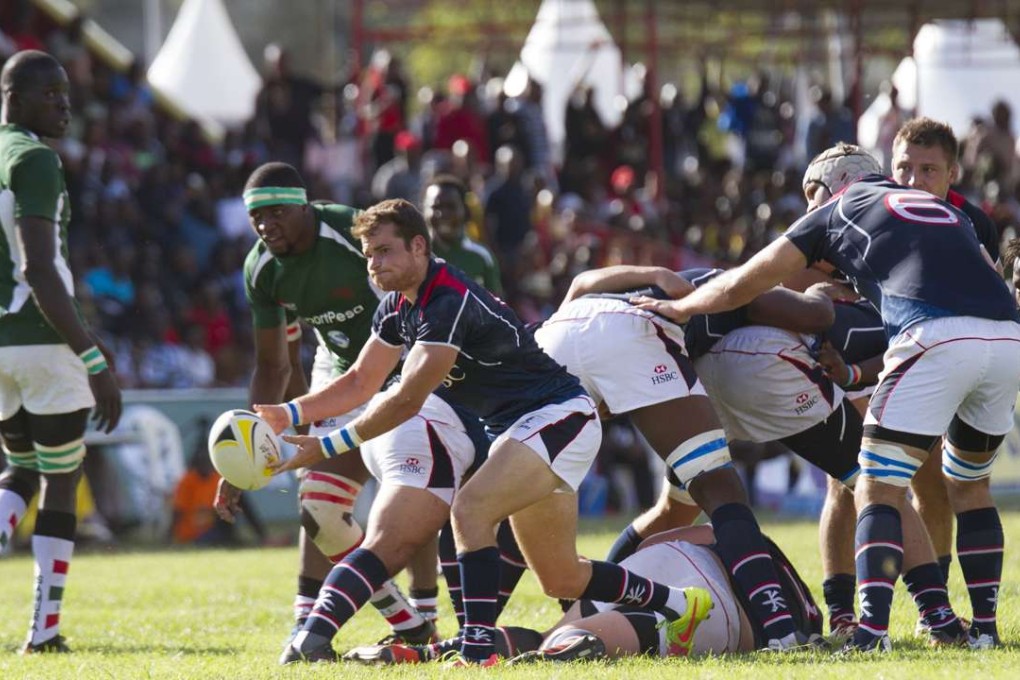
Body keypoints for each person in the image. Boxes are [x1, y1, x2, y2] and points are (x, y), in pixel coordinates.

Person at [269, 199, 709, 665]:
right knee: (561, 578)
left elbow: (405, 400)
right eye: (367, 255)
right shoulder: (399, 307)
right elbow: (360, 381)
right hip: (524, 428)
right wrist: (288, 412)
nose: (373, 265)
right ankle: (680, 604)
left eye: (383, 251)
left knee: (470, 509)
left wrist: (326, 445)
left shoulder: (447, 300)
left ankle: (477, 652)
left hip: (558, 416)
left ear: (419, 247)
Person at [632, 143, 1020, 653]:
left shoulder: (837, 210)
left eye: (810, 196)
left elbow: (742, 285)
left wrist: (683, 307)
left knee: (877, 486)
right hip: (1007, 339)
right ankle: (986, 632)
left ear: (833, 185)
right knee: (970, 488)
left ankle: (871, 633)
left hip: (930, 339)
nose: (807, 209)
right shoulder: (949, 211)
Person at [533, 265, 834, 651]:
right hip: (629, 336)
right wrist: (825, 293)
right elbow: (815, 315)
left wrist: (657, 272)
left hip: (555, 337)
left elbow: (578, 282)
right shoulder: (728, 284)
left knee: (667, 509)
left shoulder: (640, 287)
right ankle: (781, 633)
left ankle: (474, 633)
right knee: (721, 491)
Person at [213, 162, 438, 661]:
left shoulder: (351, 233)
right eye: (256, 217)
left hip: (404, 368)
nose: (265, 225)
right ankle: (410, 627)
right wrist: (243, 458)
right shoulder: (261, 268)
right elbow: (272, 365)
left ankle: (432, 617)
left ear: (304, 207)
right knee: (318, 509)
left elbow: (417, 298)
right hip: (340, 378)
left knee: (415, 502)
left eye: (275, 213)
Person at [0, 50, 122, 653]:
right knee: (61, 475)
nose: (65, 104)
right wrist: (93, 358)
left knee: (22, 468)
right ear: (14, 98)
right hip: (42, 343)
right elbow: (38, 267)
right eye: (51, 93)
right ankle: (43, 631)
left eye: (66, 92)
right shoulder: (34, 158)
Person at [423, 174, 501, 294]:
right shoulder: (415, 256)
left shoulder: (481, 257)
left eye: (451, 207)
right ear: (423, 210)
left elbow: (497, 310)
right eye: (436, 207)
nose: (443, 214)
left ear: (465, 211)